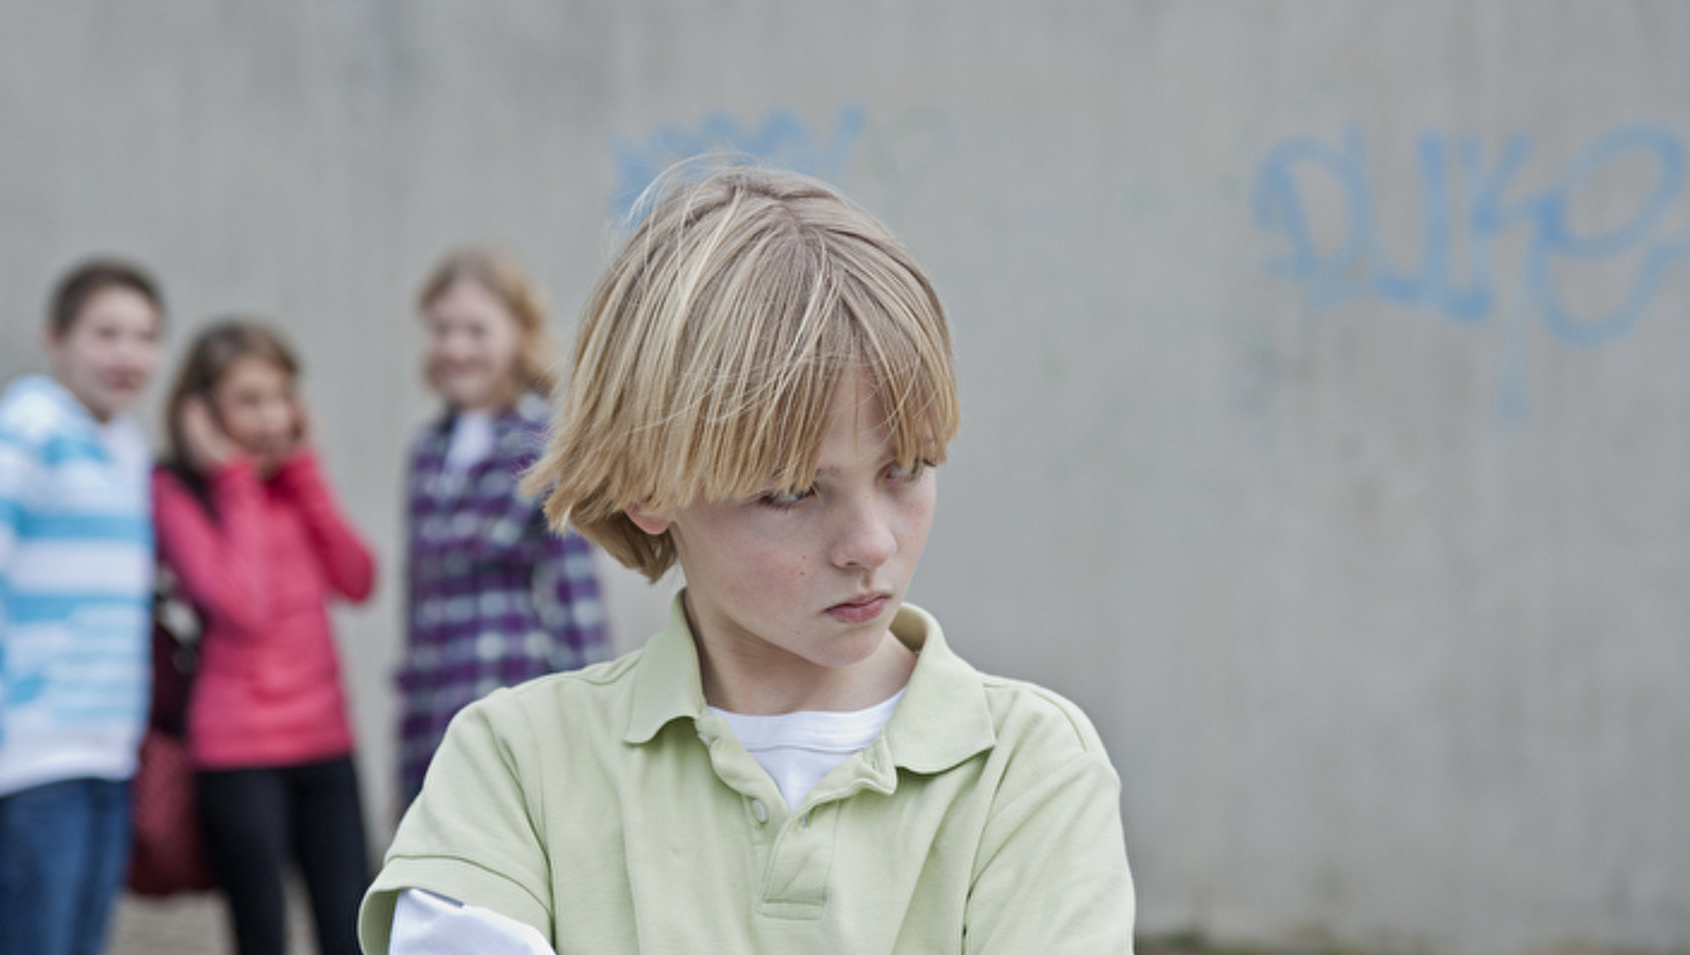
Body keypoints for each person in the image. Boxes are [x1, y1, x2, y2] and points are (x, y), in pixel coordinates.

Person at [359, 165, 1135, 954]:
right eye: (793, 491)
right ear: (647, 484)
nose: (872, 543)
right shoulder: (514, 762)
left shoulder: (1029, 766)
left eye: (907, 468)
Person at [0, 258, 166, 955]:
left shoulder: (126, 447)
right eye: (105, 333)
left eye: (145, 336)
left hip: (107, 751)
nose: (127, 353)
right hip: (31, 754)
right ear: (55, 338)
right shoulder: (22, 432)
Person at [152, 320, 375, 955]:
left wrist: (307, 476)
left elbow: (359, 580)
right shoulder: (177, 494)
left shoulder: (294, 488)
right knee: (262, 935)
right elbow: (239, 605)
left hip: (326, 740)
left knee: (352, 929)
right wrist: (233, 480)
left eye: (281, 395)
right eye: (249, 400)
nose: (272, 417)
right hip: (239, 754)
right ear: (201, 411)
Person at [396, 245, 610, 806]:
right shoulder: (426, 452)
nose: (457, 348)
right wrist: (407, 760)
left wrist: (588, 735)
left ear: (519, 333)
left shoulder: (545, 446)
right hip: (438, 723)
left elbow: (575, 600)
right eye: (442, 330)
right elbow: (417, 611)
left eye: (476, 330)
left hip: (517, 713)